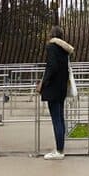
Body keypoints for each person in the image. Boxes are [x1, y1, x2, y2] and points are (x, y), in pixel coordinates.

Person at [37, 25, 74, 160]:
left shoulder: (52, 47)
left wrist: (43, 83)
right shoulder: (65, 49)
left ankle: (59, 151)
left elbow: (51, 67)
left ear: (51, 35)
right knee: (60, 118)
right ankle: (60, 148)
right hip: (61, 88)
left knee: (56, 119)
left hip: (53, 88)